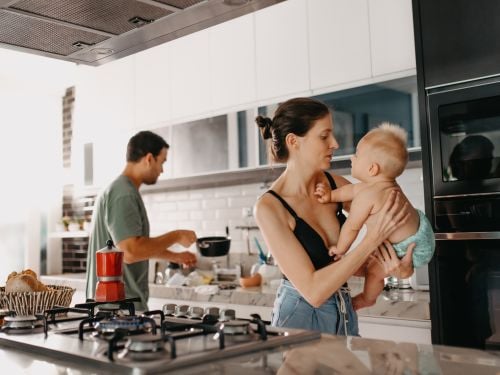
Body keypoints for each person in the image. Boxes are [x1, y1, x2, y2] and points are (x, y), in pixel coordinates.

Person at [254, 97, 414, 335]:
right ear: (293, 141)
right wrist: (370, 241)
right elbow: (314, 291)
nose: (335, 143)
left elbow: (394, 222)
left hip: (344, 312)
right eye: (324, 136)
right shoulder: (270, 207)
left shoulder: (334, 186)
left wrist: (401, 269)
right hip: (300, 317)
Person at [315, 123, 435, 310]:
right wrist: (330, 196)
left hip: (408, 248)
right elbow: (350, 190)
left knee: (374, 270)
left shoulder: (368, 196)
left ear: (372, 169)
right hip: (420, 232)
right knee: (366, 262)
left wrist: (340, 248)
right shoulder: (382, 186)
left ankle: (367, 298)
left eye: (357, 154)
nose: (351, 158)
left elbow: (352, 227)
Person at [85, 131, 197, 311]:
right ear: (149, 159)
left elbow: (131, 247)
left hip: (113, 308)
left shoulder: (120, 189)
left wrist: (174, 256)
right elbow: (130, 251)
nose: (162, 170)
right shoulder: (123, 194)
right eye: (162, 162)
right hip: (118, 310)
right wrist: (177, 236)